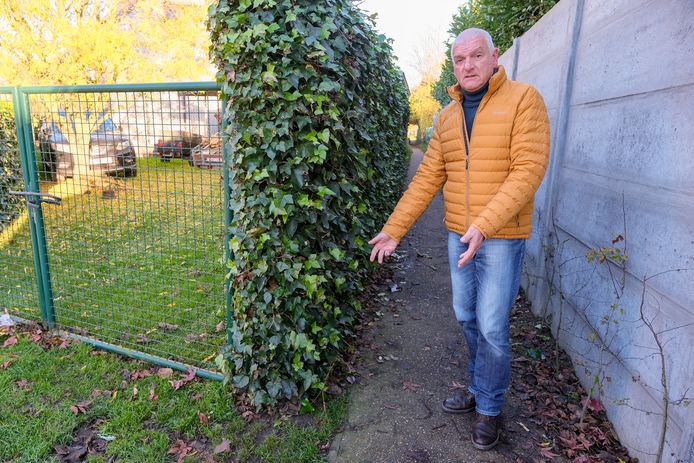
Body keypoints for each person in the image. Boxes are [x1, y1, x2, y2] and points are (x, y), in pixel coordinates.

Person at [369, 28, 550, 450]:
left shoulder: (524, 100)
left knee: (491, 325)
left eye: (476, 56)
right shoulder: (448, 117)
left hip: (500, 238)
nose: (467, 66)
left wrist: (484, 224)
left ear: (494, 56)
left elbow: (528, 171)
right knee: (466, 316)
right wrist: (395, 229)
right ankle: (479, 384)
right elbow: (427, 178)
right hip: (457, 236)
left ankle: (489, 408)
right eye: (459, 59)